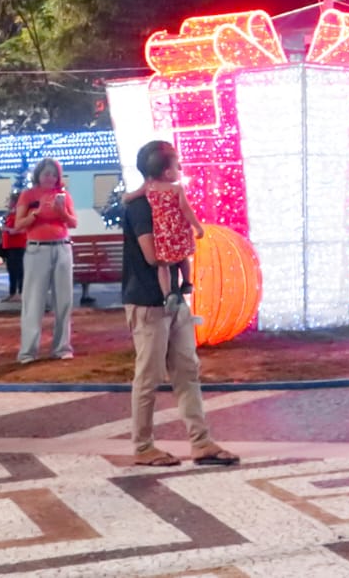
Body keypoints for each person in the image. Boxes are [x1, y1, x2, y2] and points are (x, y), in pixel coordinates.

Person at [121, 140, 240, 469]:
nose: (181, 169)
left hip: (173, 300)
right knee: (148, 376)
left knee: (187, 370)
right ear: (161, 170)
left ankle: (201, 442)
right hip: (147, 301)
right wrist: (178, 242)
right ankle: (143, 446)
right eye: (175, 163)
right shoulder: (140, 206)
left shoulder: (168, 199)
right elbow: (152, 255)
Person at [11, 158, 79, 363]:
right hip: (37, 250)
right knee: (33, 301)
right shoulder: (28, 195)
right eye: (46, 173)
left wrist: (62, 212)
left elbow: (73, 222)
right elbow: (18, 225)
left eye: (54, 174)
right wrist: (36, 214)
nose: (50, 177)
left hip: (62, 248)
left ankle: (62, 348)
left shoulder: (64, 195)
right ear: (38, 175)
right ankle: (28, 351)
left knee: (64, 301)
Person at [128, 143, 205, 309]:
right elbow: (186, 210)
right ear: (168, 173)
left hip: (163, 233)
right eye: (177, 166)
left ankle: (167, 293)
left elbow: (133, 195)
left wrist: (126, 198)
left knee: (163, 265)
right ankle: (187, 282)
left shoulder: (150, 188)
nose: (180, 169)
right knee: (183, 257)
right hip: (179, 231)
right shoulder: (177, 189)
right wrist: (197, 227)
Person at [0, 190, 28, 303]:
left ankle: (20, 293)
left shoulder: (20, 213)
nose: (8, 202)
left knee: (18, 270)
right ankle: (12, 292)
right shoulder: (11, 213)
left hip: (18, 244)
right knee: (11, 270)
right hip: (10, 245)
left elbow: (21, 228)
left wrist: (8, 229)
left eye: (10, 200)